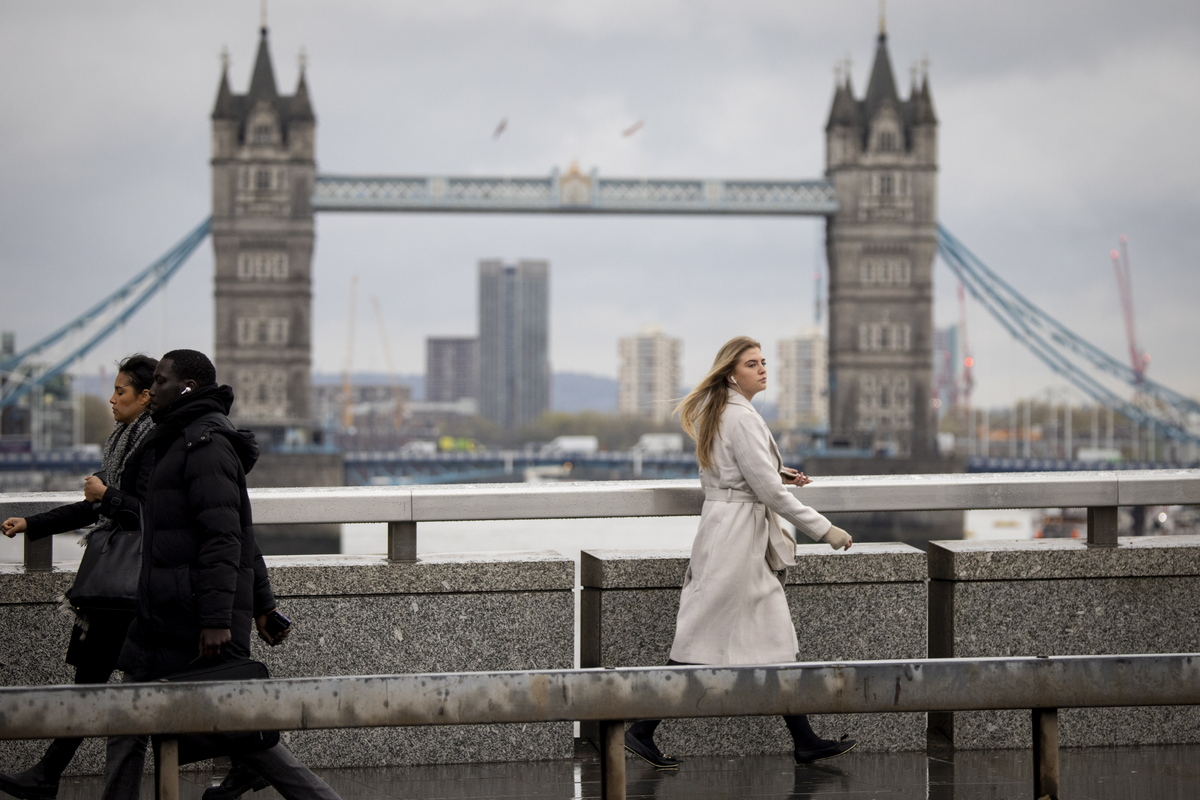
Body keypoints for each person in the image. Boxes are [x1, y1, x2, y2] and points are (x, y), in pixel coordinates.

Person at [110, 349, 339, 800]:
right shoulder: (174, 441)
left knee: (242, 734)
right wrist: (263, 603)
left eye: (160, 379)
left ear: (187, 387)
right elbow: (239, 530)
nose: (151, 388)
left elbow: (225, 537)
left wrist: (218, 620)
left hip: (193, 616)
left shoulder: (204, 445)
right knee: (126, 717)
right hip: (163, 612)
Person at [623, 336, 857, 769]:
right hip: (736, 542)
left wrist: (779, 472)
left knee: (775, 641)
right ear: (732, 373)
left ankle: (804, 740)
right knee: (697, 640)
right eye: (753, 364)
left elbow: (735, 474)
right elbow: (766, 492)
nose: (763, 369)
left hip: (731, 535)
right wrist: (827, 531)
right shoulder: (741, 417)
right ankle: (640, 729)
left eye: (764, 362)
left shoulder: (725, 412)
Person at [0, 355, 159, 800]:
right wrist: (33, 524)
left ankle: (253, 750)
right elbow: (90, 507)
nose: (111, 399)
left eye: (120, 391)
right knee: (89, 681)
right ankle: (46, 775)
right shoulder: (125, 441)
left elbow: (150, 514)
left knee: (107, 685)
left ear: (145, 396)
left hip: (131, 587)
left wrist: (108, 495)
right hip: (111, 590)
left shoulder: (155, 446)